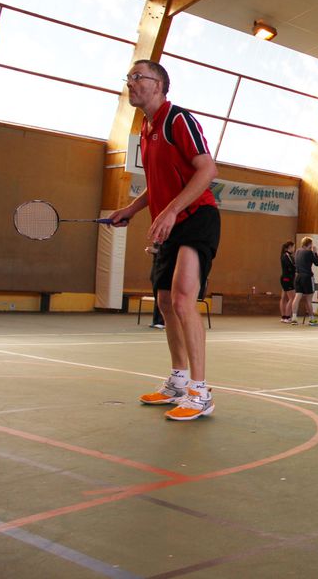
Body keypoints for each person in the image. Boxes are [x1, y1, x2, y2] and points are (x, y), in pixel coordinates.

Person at [109, 60, 220, 421]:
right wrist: (133, 208)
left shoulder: (178, 120)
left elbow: (207, 170)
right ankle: (177, 380)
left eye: (137, 77)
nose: (131, 84)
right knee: (166, 300)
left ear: (158, 84)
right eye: (129, 78)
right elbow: (157, 184)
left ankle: (200, 393)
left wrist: (170, 212)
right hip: (169, 221)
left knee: (184, 298)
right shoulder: (146, 128)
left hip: (196, 217)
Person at [290, 237, 318, 325]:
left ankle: (294, 317)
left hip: (298, 277)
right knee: (308, 299)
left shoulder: (297, 252)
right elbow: (317, 263)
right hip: (307, 277)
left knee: (297, 297)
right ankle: (311, 319)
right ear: (310, 244)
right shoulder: (309, 252)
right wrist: (315, 253)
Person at [145, 243, 165, 329]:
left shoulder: (170, 239)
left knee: (162, 297)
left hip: (163, 269)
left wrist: (155, 251)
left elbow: (169, 252)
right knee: (157, 296)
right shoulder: (159, 240)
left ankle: (162, 321)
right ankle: (156, 320)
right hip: (156, 268)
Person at [279, 241, 296, 323]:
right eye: (293, 247)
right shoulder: (287, 255)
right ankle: (287, 317)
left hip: (285, 278)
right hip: (287, 279)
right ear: (289, 247)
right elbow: (291, 267)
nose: (294, 249)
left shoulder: (287, 255)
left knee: (284, 298)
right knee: (292, 298)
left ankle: (283, 317)